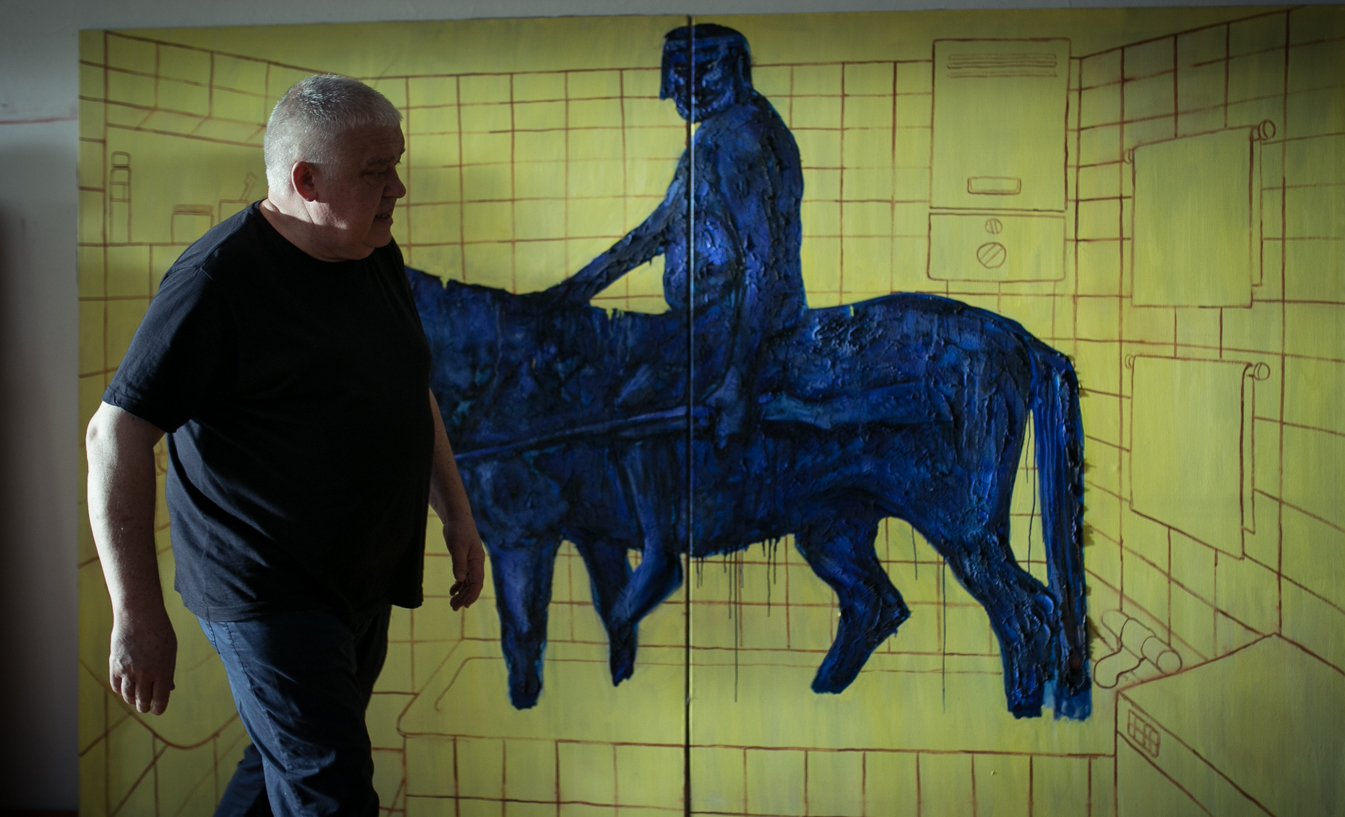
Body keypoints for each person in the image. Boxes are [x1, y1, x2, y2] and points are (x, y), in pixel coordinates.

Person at [85, 75, 485, 816]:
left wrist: (456, 514)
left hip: (360, 577)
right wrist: (135, 613)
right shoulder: (215, 283)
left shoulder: (370, 251)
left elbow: (409, 388)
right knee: (330, 787)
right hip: (266, 586)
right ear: (306, 180)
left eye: (396, 165)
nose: (397, 188)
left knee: (290, 762)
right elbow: (115, 433)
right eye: (376, 171)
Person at [546, 24, 808, 669]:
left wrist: (738, 378)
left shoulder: (740, 137)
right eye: (679, 75)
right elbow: (657, 231)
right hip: (705, 318)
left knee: (631, 402)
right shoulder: (716, 135)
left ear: (736, 68)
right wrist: (572, 292)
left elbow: (762, 262)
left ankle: (660, 550)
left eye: (703, 72)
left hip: (732, 320)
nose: (688, 88)